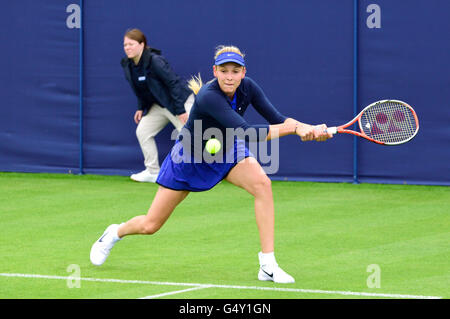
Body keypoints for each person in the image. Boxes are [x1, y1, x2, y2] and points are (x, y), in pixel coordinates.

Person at [91, 45, 333, 283]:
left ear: (243, 73)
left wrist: (309, 128)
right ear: (215, 71)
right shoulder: (209, 96)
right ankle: (114, 233)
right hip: (189, 158)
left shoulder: (249, 88)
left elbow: (277, 119)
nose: (230, 76)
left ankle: (267, 265)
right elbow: (248, 133)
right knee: (151, 224)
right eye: (224, 70)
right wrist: (295, 129)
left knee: (262, 185)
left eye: (235, 71)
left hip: (226, 150)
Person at [121, 28, 194, 183]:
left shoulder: (155, 61)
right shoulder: (128, 65)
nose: (127, 47)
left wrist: (181, 110)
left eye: (131, 44)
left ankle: (206, 171)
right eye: (125, 44)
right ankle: (153, 171)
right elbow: (140, 88)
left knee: (189, 135)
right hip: (160, 105)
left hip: (179, 101)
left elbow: (173, 83)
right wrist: (141, 107)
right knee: (143, 131)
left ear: (142, 45)